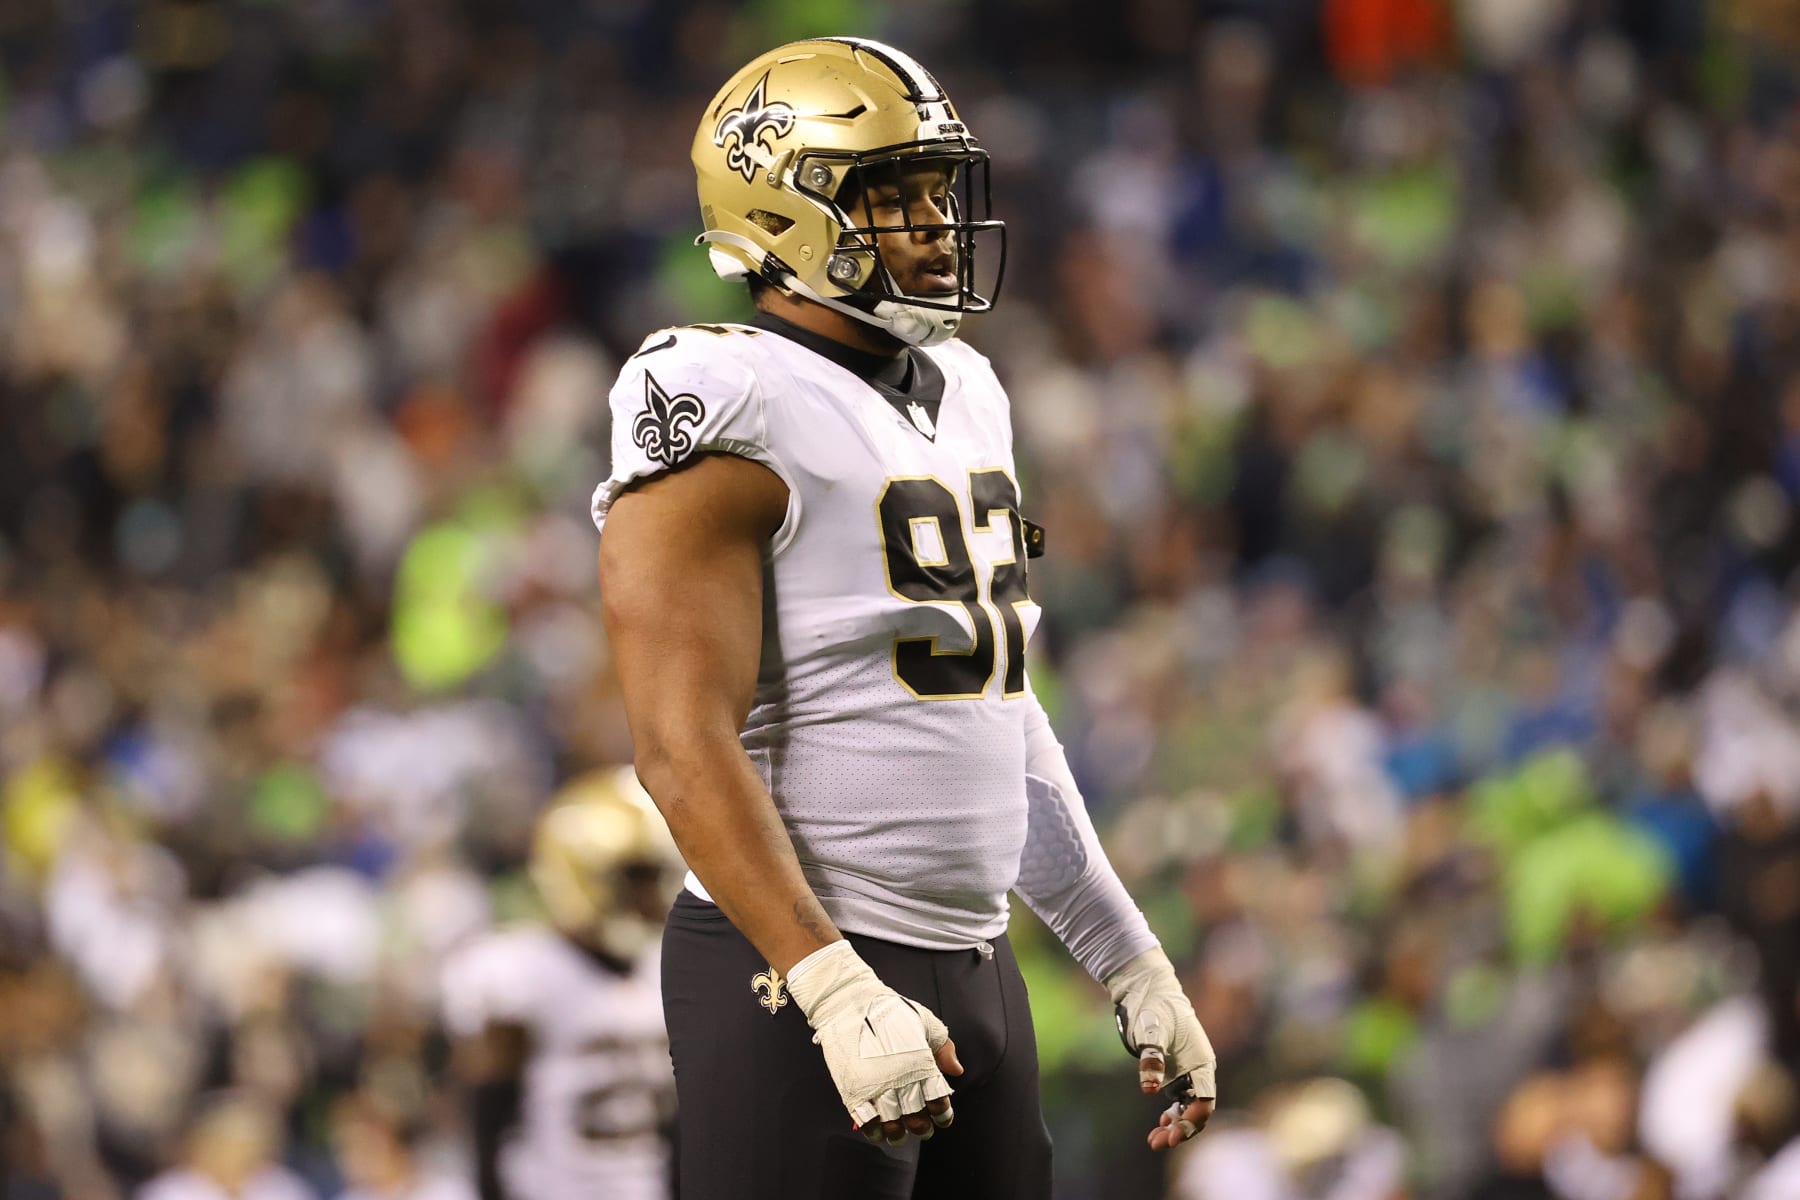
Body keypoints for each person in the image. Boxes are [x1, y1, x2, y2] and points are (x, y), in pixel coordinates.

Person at [592, 36, 1217, 1200]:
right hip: (796, 972)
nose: (934, 223)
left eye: (937, 190)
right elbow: (681, 748)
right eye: (891, 197)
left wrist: (1125, 955)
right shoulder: (727, 393)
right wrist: (829, 985)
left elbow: (1000, 713)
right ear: (783, 214)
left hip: (973, 961)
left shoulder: (970, 387)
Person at [438, 769, 680, 1200]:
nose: (651, 895)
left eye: (654, 877)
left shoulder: (663, 967)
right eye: (634, 877)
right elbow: (487, 1117)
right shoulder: (522, 971)